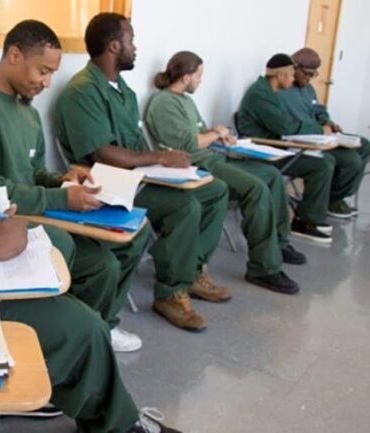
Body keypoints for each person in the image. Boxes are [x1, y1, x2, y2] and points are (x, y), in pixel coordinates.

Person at [0, 19, 180, 433]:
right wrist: (59, 198)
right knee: (70, 253)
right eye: (43, 70)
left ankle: (77, 361)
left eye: (53, 72)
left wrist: (64, 178)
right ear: (13, 54)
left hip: (33, 223)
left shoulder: (27, 113)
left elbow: (34, 172)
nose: (48, 82)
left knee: (103, 265)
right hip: (2, 234)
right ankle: (69, 353)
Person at [55, 13, 231, 332]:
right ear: (113, 46)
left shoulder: (124, 90)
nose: (135, 47)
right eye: (131, 40)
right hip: (107, 182)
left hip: (139, 177)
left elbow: (134, 146)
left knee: (214, 190)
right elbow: (103, 153)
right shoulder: (82, 91)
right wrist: (161, 158)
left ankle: (191, 271)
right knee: (185, 206)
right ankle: (170, 291)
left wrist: (162, 165)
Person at [144, 51, 304, 294]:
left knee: (270, 175)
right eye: (199, 76)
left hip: (214, 157)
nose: (201, 81)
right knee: (255, 187)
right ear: (186, 77)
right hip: (196, 165)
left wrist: (218, 131)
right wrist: (215, 134)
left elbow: (200, 132)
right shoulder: (164, 103)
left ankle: (278, 243)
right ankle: (264, 267)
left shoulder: (185, 101)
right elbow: (189, 144)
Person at [236, 53, 334, 243]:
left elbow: (287, 125)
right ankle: (304, 222)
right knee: (321, 166)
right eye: (291, 74)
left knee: (326, 160)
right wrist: (319, 130)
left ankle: (311, 215)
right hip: (261, 152)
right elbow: (285, 127)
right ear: (280, 76)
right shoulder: (261, 94)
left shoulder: (271, 93)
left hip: (277, 148)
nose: (293, 78)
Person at [279, 47, 370, 218]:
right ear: (293, 69)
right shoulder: (282, 90)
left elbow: (318, 110)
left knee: (364, 145)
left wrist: (327, 121)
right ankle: (331, 201)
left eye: (313, 75)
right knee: (352, 160)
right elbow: (286, 127)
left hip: (320, 135)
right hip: (303, 140)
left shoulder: (308, 89)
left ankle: (336, 196)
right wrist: (321, 129)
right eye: (305, 73)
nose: (308, 78)